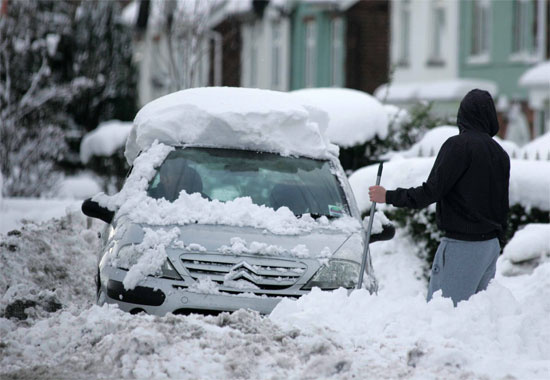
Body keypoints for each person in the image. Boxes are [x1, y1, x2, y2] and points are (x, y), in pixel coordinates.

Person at [369, 89, 510, 306]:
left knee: (443, 313)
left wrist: (387, 196)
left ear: (463, 115)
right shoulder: (500, 154)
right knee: (476, 317)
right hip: (489, 247)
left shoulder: (458, 146)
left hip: (462, 246)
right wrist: (498, 240)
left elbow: (430, 192)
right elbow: (502, 206)